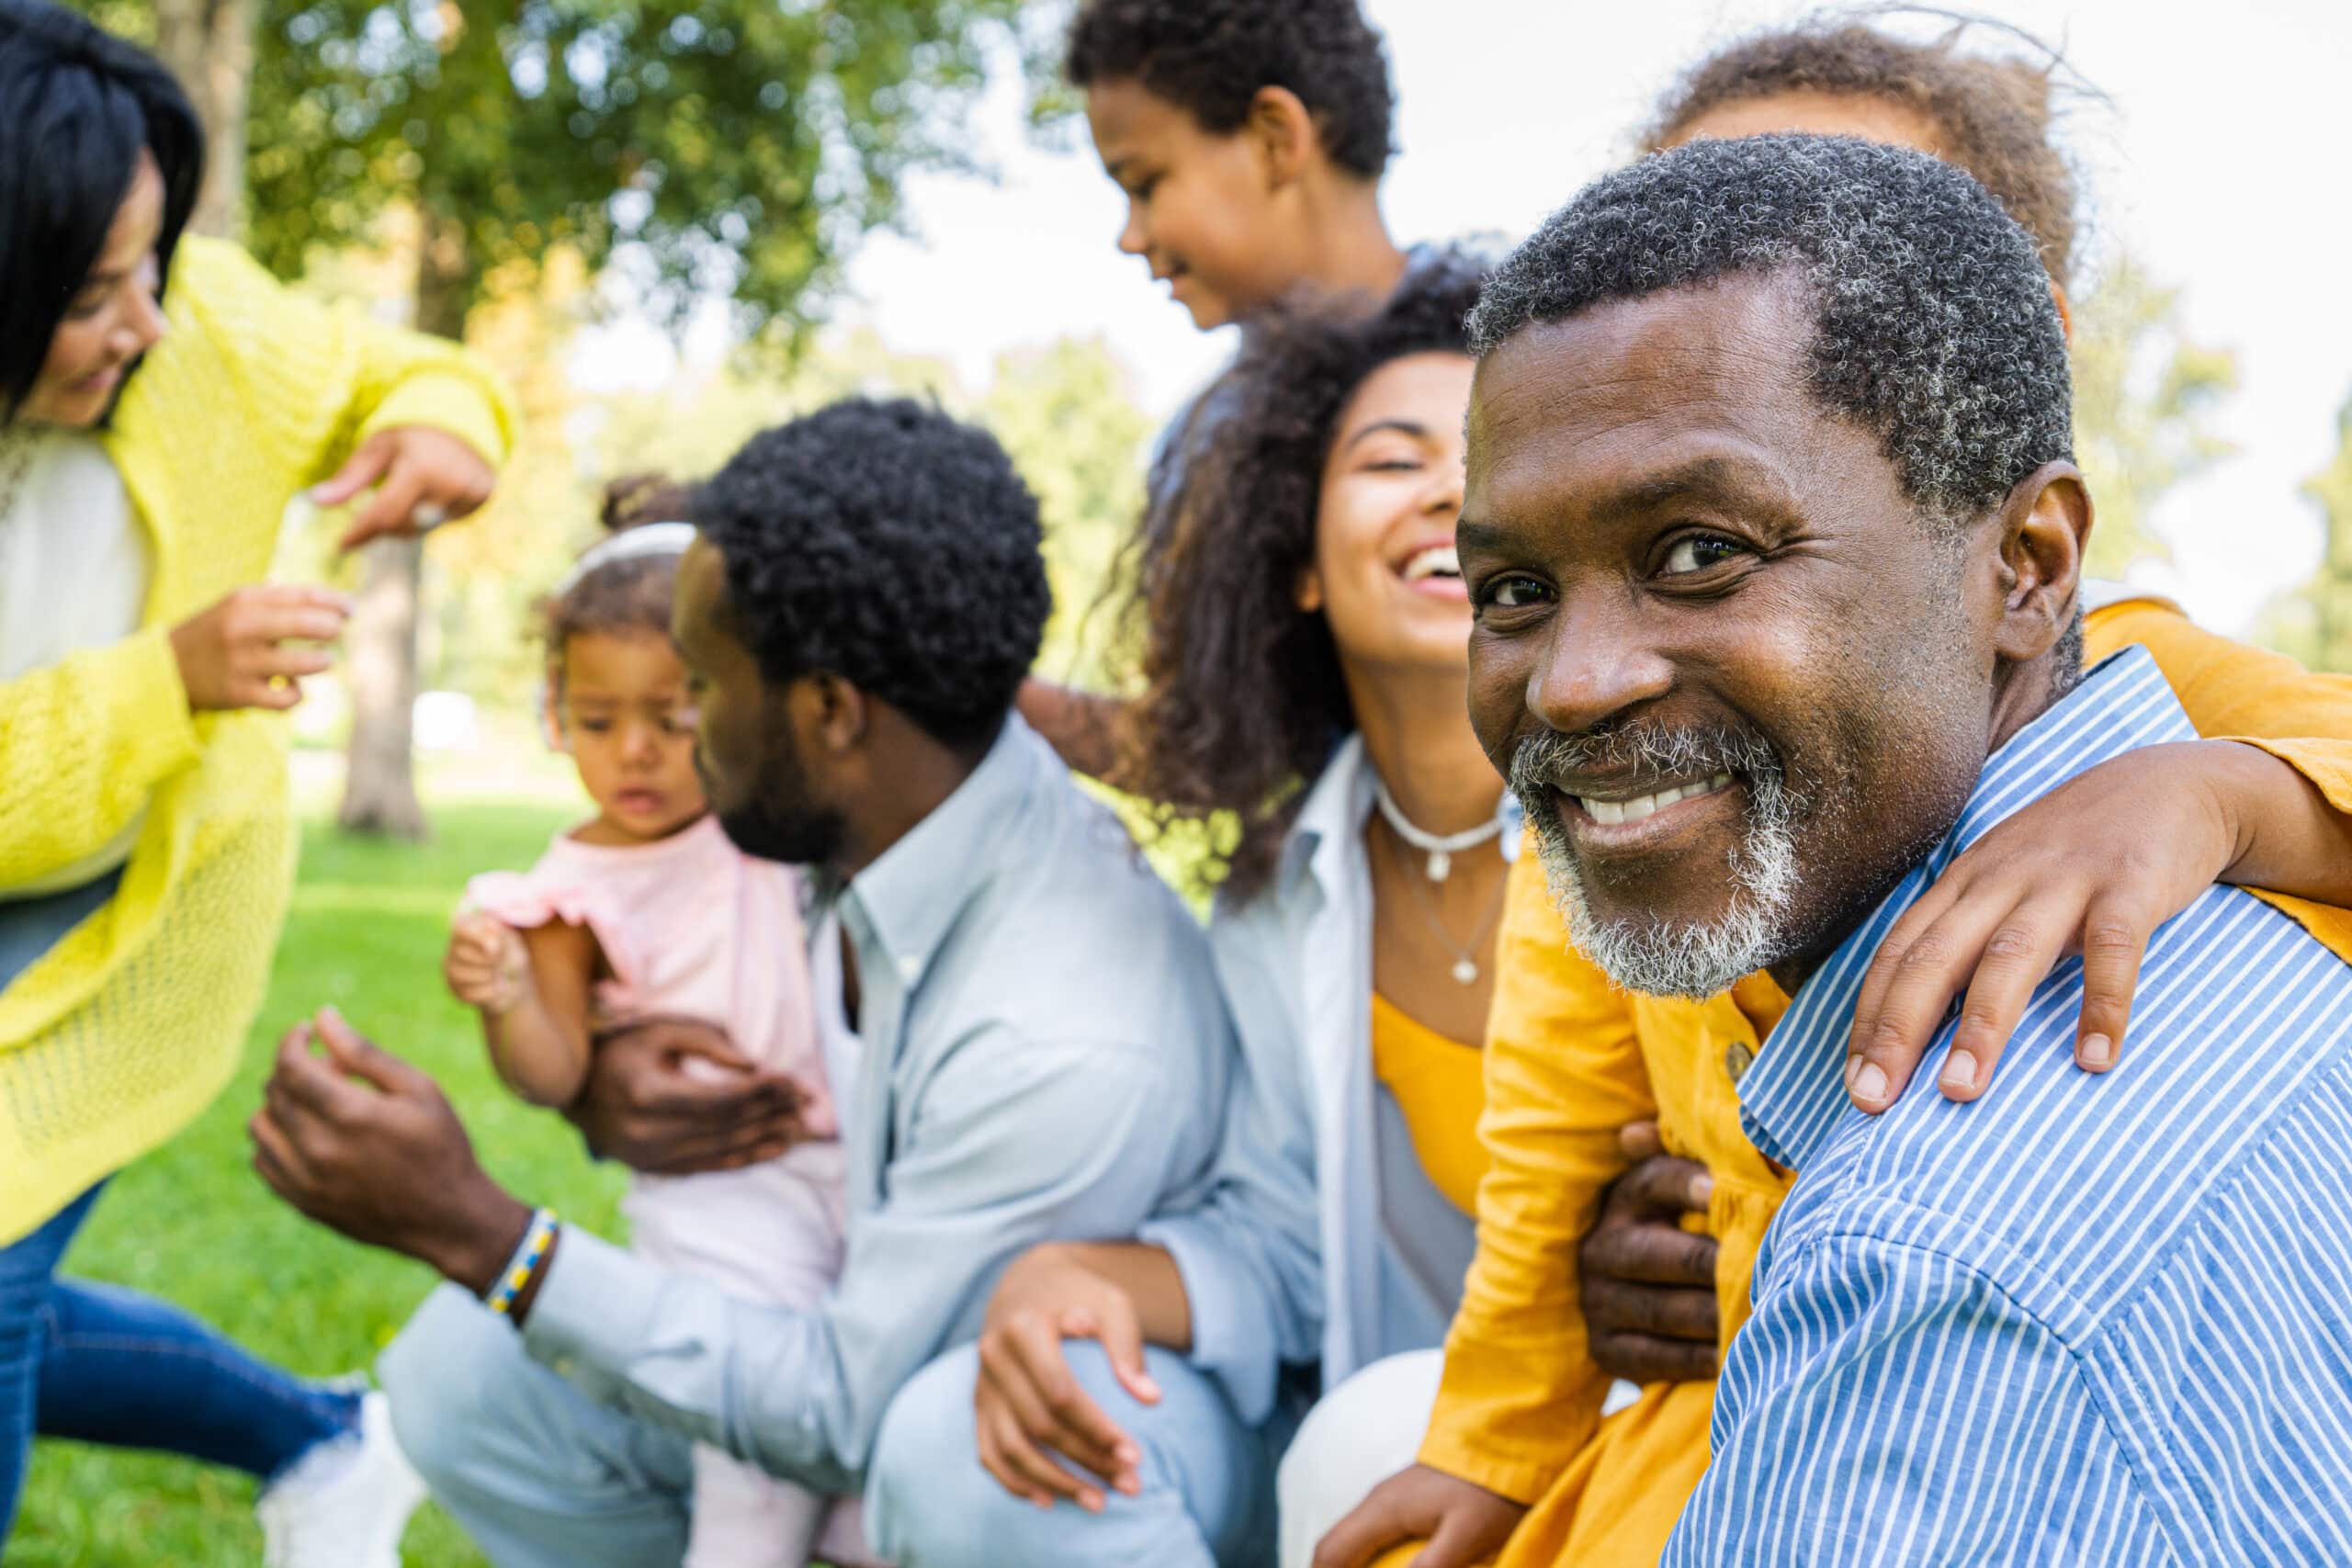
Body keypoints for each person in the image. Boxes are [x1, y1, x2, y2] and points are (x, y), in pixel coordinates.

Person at [1312, 24, 2352, 1568]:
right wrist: (1497, 1435)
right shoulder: (1625, 808)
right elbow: (1547, 1142)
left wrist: (2223, 796)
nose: (1584, 681)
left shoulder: (2166, 704)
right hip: (1723, 1399)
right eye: (1516, 588)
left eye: (1701, 553)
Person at [245, 398, 1235, 1568]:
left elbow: (846, 1411)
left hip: (1013, 1443)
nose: (678, 741)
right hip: (838, 1340)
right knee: (462, 1378)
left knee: (953, 1456)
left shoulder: (1062, 1033)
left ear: (829, 711)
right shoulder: (878, 797)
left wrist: (482, 1230)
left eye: (700, 694)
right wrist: (599, 1081)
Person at [858, 253, 1516, 1568]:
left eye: (1498, 460)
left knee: (1387, 1429)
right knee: (959, 1434)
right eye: (1393, 459)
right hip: (1346, 1443)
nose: (1451, 489)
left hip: (1641, 1438)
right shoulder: (1278, 895)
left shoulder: (1665, 833)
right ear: (1299, 562)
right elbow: (1280, 1245)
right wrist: (1076, 1275)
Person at [0, 5, 512, 1561]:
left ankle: (323, 1438)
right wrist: (168, 677)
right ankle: (322, 1434)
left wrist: (443, 423)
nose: (145, 322)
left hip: (119, 911)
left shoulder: (201, 339)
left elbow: (398, 368)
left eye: (150, 266)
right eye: (89, 294)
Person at [444, 485, 844, 1568]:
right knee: (752, 1429)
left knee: (866, 1412)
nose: (635, 753)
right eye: (597, 721)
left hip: (852, 1155)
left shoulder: (770, 818)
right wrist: (510, 994)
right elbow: (551, 1071)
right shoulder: (570, 887)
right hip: (723, 1192)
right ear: (554, 710)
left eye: (673, 720)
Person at [1022, 0, 1436, 771]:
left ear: (1276, 139)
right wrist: (977, 690)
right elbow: (1196, 752)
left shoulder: (1527, 356)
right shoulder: (1206, 441)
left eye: (1145, 183)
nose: (1129, 236)